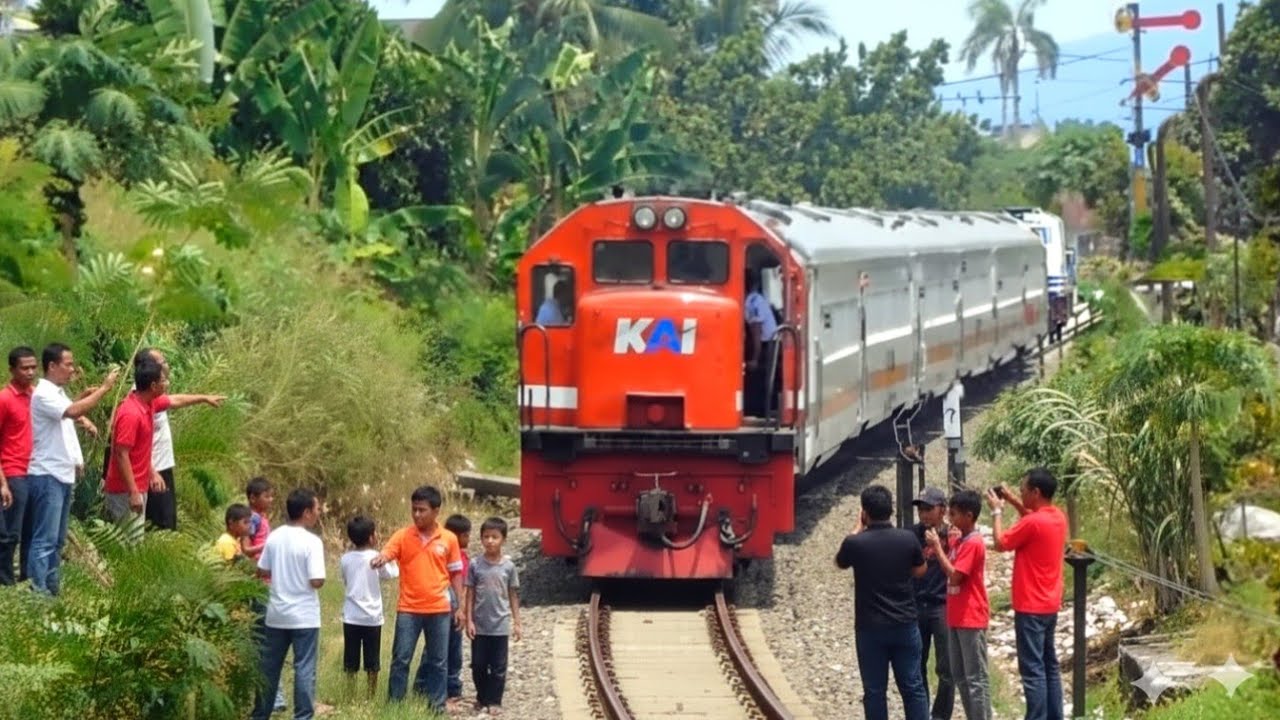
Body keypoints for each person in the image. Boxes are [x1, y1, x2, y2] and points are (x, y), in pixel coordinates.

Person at [27, 343, 118, 595]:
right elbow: (72, 412)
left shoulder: (57, 394)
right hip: (47, 476)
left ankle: (51, 591)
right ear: (52, 366)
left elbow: (68, 413)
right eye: (68, 364)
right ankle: (39, 596)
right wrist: (104, 389)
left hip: (61, 476)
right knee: (44, 540)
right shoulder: (44, 394)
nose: (72, 369)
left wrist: (84, 397)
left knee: (56, 540)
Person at [835, 485, 930, 720]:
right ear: (890, 509)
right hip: (905, 624)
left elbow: (839, 562)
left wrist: (858, 528)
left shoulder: (856, 543)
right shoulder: (907, 539)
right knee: (912, 686)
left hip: (870, 628)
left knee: (875, 691)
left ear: (864, 512)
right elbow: (920, 571)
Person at [373, 485, 465, 710]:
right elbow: (388, 551)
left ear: (436, 511)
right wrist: (382, 558)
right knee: (401, 659)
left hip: (439, 609)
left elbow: (456, 574)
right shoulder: (403, 536)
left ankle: (436, 707)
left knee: (438, 661)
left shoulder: (449, 539)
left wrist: (460, 607)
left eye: (422, 510)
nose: (417, 515)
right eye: (414, 509)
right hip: (409, 609)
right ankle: (395, 705)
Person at [988, 469, 1069, 720]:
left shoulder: (1032, 523)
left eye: (1023, 490)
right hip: (1050, 602)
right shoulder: (1057, 517)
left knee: (1032, 668)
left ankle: (1036, 716)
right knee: (1049, 665)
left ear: (1036, 492)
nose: (1020, 493)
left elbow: (1001, 543)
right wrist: (1013, 500)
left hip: (1030, 604)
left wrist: (997, 511)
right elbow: (1031, 520)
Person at [252, 488, 325, 720]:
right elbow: (316, 581)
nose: (317, 513)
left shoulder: (275, 536)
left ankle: (260, 714)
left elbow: (262, 569)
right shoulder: (312, 542)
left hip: (276, 614)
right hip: (304, 615)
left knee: (269, 668)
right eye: (316, 509)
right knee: (303, 668)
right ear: (305, 512)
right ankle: (302, 716)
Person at [133, 348, 225, 531]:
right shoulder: (140, 399)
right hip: (153, 469)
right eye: (162, 362)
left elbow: (174, 401)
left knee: (166, 521)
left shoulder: (153, 396)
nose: (166, 365)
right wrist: (152, 472)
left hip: (161, 467)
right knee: (161, 524)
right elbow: (133, 445)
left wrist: (203, 398)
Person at [926, 490, 991, 720]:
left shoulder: (973, 543)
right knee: (960, 675)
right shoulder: (961, 540)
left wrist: (938, 547)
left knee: (975, 678)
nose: (950, 519)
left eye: (954, 514)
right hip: (956, 615)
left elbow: (955, 576)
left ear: (969, 515)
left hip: (970, 616)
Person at [465, 516, 522, 716]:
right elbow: (470, 593)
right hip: (480, 625)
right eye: (486, 537)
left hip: (500, 625)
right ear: (481, 539)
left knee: (498, 666)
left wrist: (517, 622)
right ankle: (482, 697)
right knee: (479, 664)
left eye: (494, 537)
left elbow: (513, 594)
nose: (490, 541)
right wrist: (469, 620)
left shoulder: (509, 567)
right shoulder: (475, 565)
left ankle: (495, 700)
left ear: (503, 540)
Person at [103, 359, 171, 521]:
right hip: (123, 491)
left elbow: (175, 400)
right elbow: (121, 454)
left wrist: (204, 398)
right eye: (163, 381)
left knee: (135, 539)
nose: (166, 384)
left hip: (137, 487)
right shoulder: (131, 413)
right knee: (128, 542)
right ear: (153, 386)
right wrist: (133, 491)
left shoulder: (148, 404)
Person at [341, 515, 399, 699]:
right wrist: (393, 559)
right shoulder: (376, 557)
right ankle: (370, 696)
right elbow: (391, 574)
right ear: (372, 537)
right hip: (372, 617)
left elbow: (345, 579)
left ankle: (350, 694)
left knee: (351, 659)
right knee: (372, 660)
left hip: (351, 616)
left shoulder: (345, 558)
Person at [242, 476, 287, 713]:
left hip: (267, 583)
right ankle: (274, 697)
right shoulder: (254, 519)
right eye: (266, 496)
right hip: (260, 585)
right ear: (253, 498)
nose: (270, 500)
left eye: (271, 495)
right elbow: (246, 548)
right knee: (266, 641)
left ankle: (274, 696)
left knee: (268, 640)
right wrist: (269, 546)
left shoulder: (261, 519)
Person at [912, 486, 954, 720]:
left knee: (946, 668)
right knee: (917, 664)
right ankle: (920, 712)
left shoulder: (951, 536)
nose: (924, 514)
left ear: (942, 510)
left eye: (929, 509)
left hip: (942, 606)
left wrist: (938, 546)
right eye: (921, 509)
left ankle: (941, 715)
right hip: (917, 605)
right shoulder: (912, 535)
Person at [0, 347, 37, 585]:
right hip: (13, 473)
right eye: (25, 368)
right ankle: (5, 582)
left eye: (34, 367)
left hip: (35, 472)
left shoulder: (36, 395)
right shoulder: (4, 399)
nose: (30, 372)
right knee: (10, 534)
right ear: (12, 369)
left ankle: (27, 579)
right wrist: (2, 482)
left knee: (31, 533)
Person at [445, 513, 473, 711]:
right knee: (453, 650)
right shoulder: (460, 558)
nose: (469, 539)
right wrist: (461, 609)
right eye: (466, 535)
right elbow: (461, 586)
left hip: (444, 605)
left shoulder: (450, 554)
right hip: (452, 607)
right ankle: (452, 689)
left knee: (441, 650)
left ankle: (427, 686)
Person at [743, 267, 779, 417]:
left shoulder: (752, 303)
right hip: (769, 343)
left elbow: (756, 332)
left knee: (759, 380)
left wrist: (755, 359)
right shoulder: (757, 298)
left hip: (766, 345)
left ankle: (759, 412)